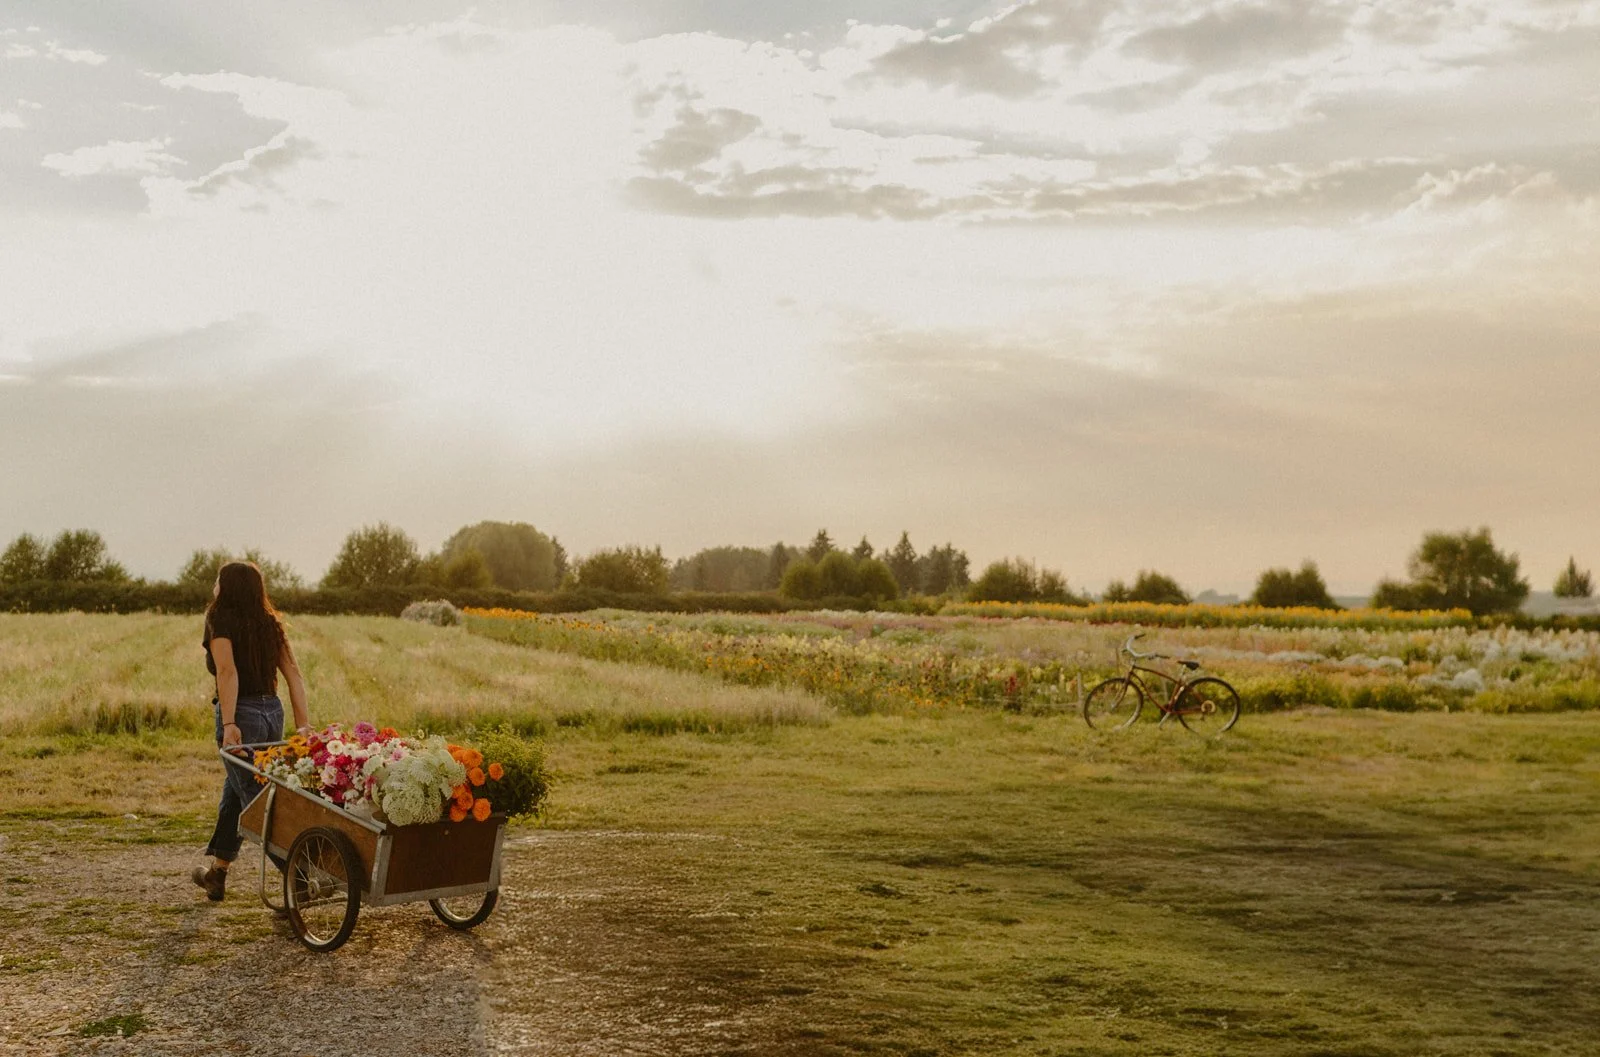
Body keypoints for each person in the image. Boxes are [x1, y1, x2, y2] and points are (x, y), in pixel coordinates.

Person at [191, 561, 310, 901]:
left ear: (228, 586)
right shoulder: (270, 622)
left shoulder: (219, 618)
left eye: (218, 579)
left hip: (242, 715)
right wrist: (303, 724)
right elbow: (294, 674)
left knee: (256, 800)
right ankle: (218, 872)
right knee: (236, 789)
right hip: (272, 713)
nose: (214, 584)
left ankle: (302, 873)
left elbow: (227, 673)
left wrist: (229, 725)